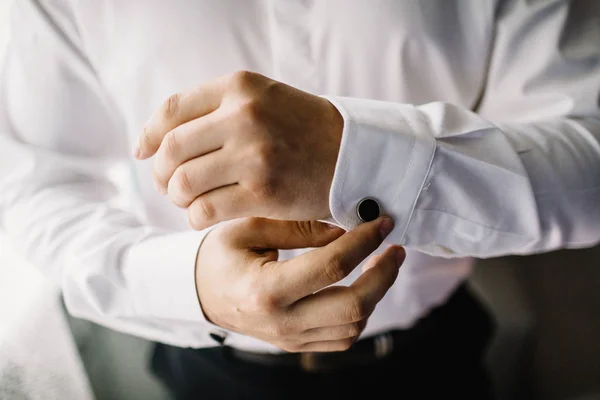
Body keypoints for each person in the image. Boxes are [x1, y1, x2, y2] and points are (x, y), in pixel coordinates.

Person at [1, 0, 599, 398]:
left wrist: (353, 156)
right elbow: (34, 185)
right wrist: (190, 285)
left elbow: (590, 154)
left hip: (437, 363)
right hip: (208, 374)